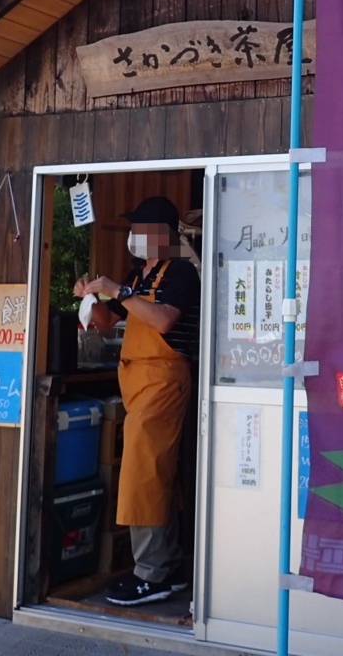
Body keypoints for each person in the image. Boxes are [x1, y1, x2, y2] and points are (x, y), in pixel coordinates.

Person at [74, 196, 200, 607]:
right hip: (136, 383)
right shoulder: (138, 275)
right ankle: (168, 565)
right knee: (153, 473)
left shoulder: (180, 272)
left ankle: (152, 573)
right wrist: (92, 300)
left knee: (144, 475)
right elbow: (111, 320)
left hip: (165, 381)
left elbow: (163, 319)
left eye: (141, 229)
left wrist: (120, 290)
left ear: (162, 235)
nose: (134, 236)